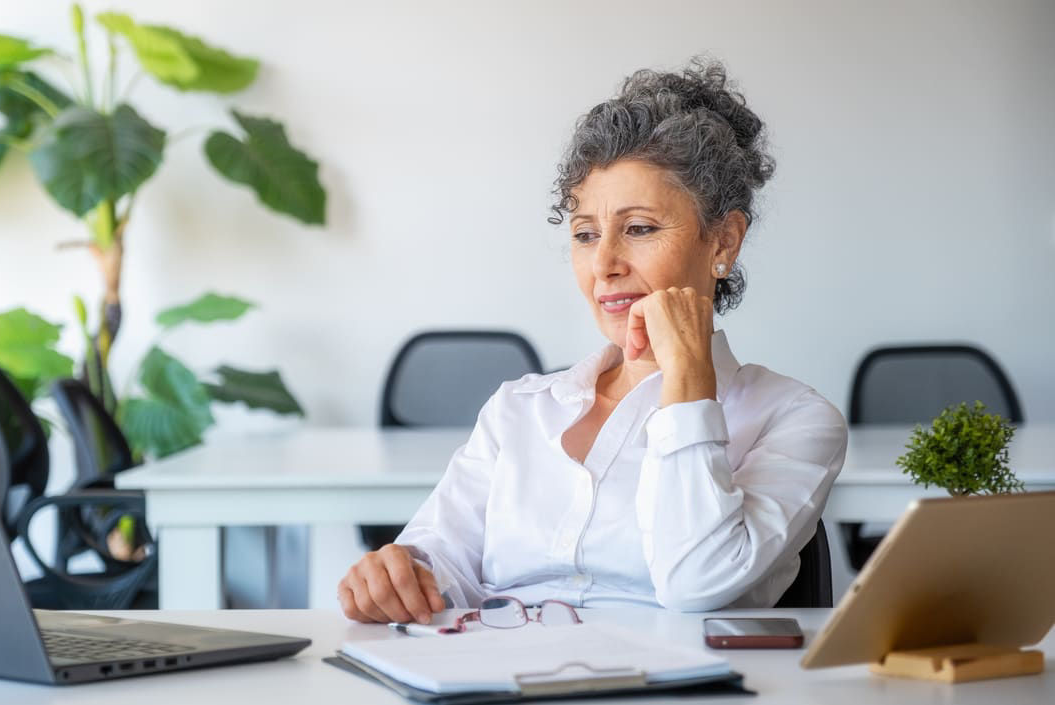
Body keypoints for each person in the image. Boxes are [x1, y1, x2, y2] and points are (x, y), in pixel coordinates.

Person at [338, 57, 848, 623]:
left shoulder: (794, 418)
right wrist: (397, 575)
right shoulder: (521, 408)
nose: (604, 263)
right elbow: (441, 559)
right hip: (500, 675)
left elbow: (699, 583)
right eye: (585, 235)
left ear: (723, 240)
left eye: (639, 229)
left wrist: (688, 381)